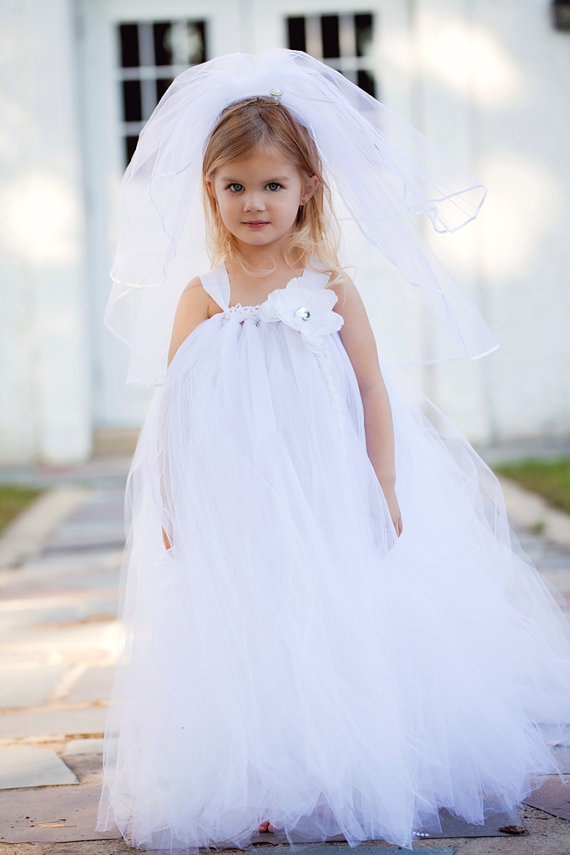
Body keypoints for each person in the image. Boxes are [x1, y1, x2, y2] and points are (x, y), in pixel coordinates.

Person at [97, 50, 570, 852]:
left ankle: (341, 762)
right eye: (235, 185)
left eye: (272, 184)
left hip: (322, 482)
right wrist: (173, 498)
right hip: (237, 491)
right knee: (249, 620)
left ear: (308, 188)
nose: (254, 202)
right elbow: (174, 405)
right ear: (209, 191)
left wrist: (380, 479)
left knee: (329, 611)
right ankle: (262, 771)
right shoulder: (202, 293)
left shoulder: (331, 285)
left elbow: (374, 389)